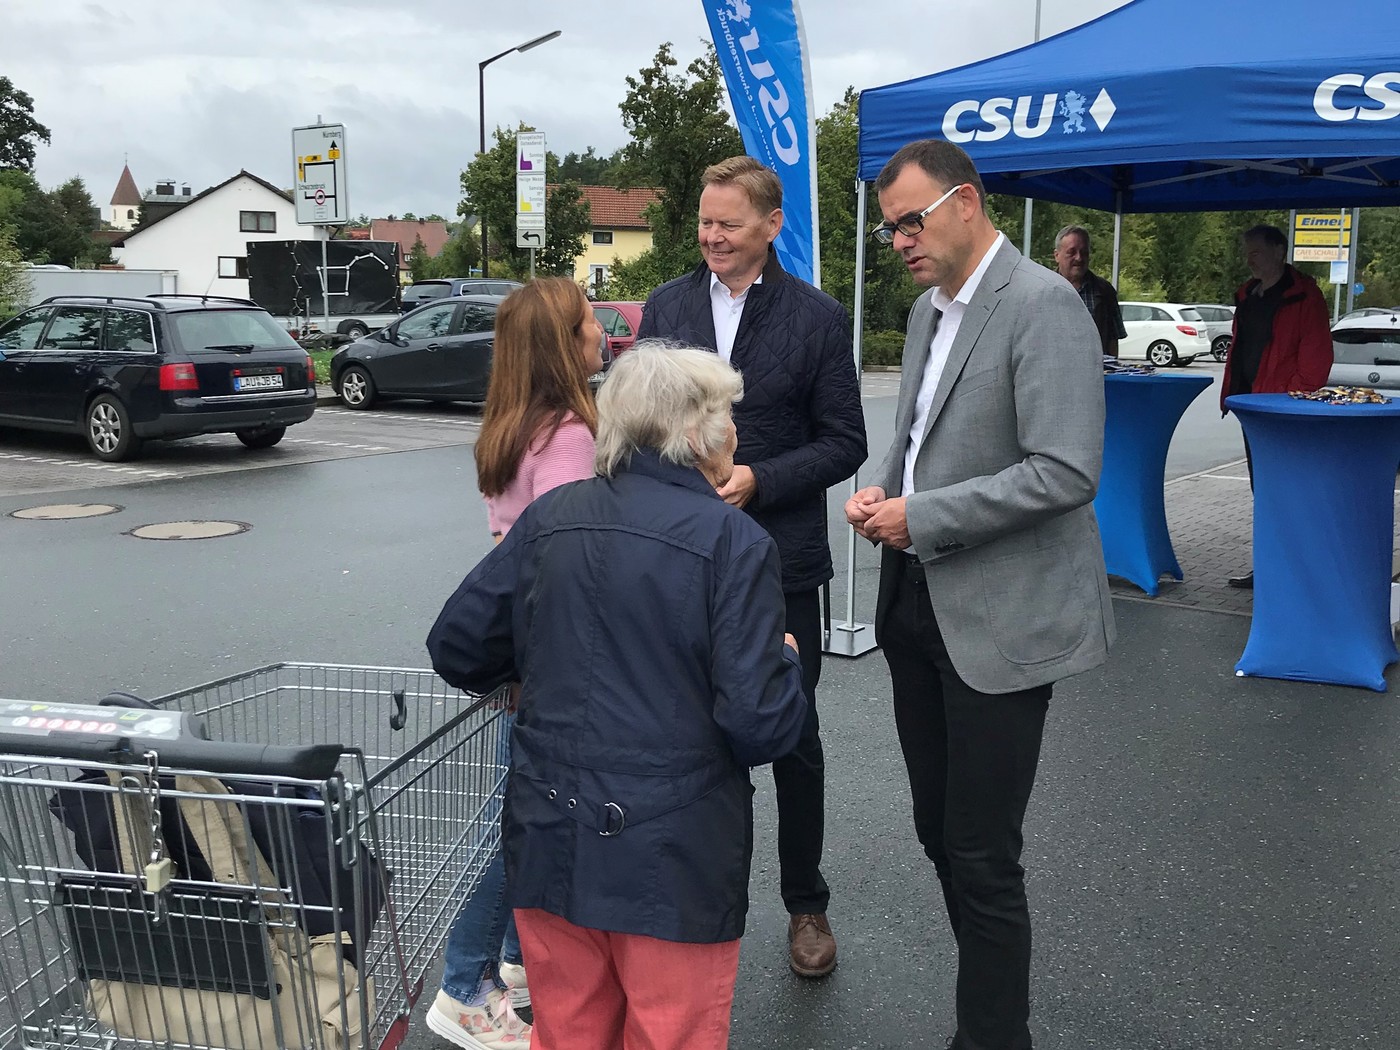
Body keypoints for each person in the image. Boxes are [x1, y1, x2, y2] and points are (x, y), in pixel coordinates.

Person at [427, 343, 809, 1050]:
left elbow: (456, 646)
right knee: (670, 1036)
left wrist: (535, 656)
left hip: (551, 836)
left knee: (568, 1033)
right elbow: (760, 724)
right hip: (673, 859)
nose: (735, 432)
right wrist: (785, 663)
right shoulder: (735, 542)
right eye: (726, 415)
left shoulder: (551, 519)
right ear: (695, 433)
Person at [845, 139, 1115, 1050]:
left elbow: (1066, 471)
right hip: (917, 605)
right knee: (938, 833)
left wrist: (921, 515)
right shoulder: (929, 312)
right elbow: (917, 437)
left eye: (910, 221)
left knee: (982, 854)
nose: (900, 242)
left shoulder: (1044, 305)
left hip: (1001, 618)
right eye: (888, 231)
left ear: (967, 204)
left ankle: (995, 1037)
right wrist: (890, 492)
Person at [636, 155, 866, 978]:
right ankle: (685, 899)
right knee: (685, 735)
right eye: (704, 221)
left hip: (779, 565)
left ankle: (807, 905)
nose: (712, 237)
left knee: (791, 737)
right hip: (677, 562)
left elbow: (847, 441)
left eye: (728, 224)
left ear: (772, 225)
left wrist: (760, 478)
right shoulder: (665, 305)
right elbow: (638, 424)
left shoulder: (815, 318)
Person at [427, 276, 605, 1050]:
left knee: (512, 806)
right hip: (549, 656)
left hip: (515, 647)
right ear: (564, 346)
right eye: (592, 320)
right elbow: (565, 561)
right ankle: (464, 984)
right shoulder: (568, 435)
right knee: (516, 826)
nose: (605, 329)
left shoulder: (513, 427)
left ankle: (509, 957)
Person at [1220, 223, 1333, 589]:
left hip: (1284, 414)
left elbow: (1316, 361)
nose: (1248, 259)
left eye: (1256, 251)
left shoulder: (1305, 297)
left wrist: (1288, 400)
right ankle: (1270, 566)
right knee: (1264, 493)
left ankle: (1294, 570)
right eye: (1247, 251)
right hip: (1252, 411)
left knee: (1288, 494)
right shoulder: (1248, 296)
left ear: (1279, 252)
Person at [1052, 224, 1127, 358]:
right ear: (1057, 255)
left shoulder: (1105, 291)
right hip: (1054, 372)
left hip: (1095, 373)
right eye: (1072, 252)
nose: (1079, 258)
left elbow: (1113, 340)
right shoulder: (1043, 290)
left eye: (1084, 252)